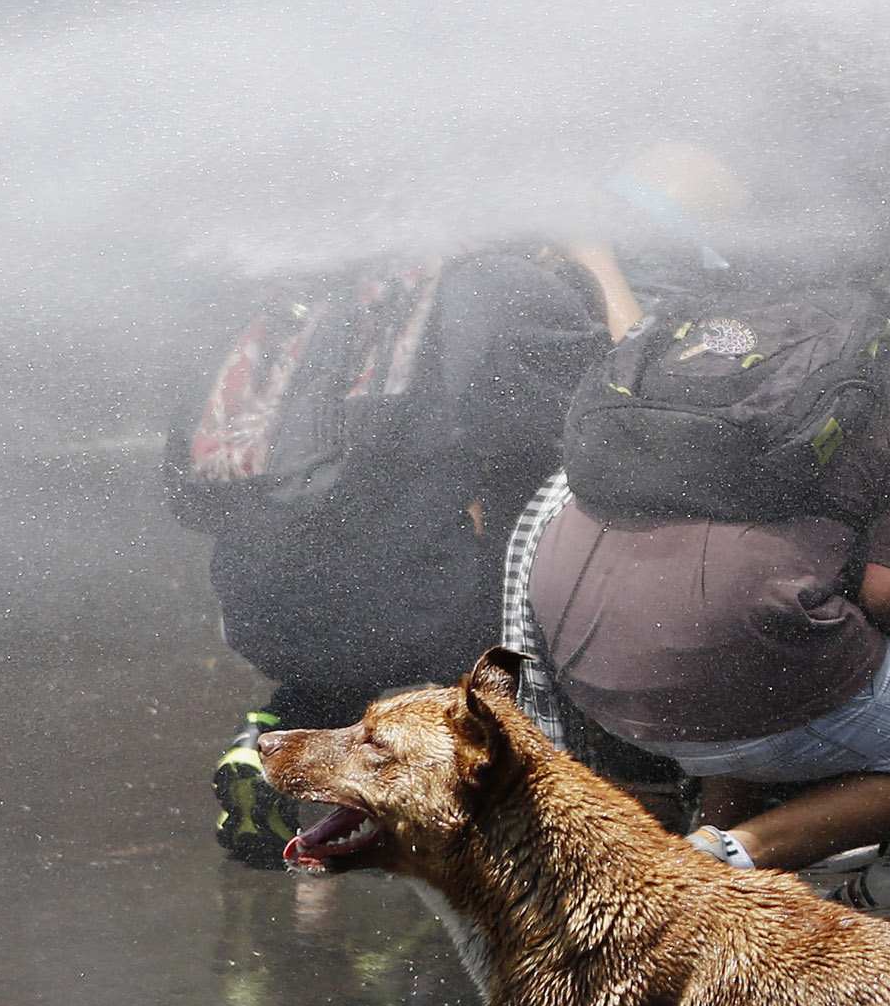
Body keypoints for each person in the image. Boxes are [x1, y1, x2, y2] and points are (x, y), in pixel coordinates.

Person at [527, 313, 890, 930]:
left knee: (753, 649)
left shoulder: (694, 354)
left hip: (586, 662)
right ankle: (728, 859)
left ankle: (717, 833)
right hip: (729, 656)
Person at [191, 246, 609, 866]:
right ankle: (484, 832)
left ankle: (265, 738)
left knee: (348, 620)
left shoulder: (308, 289)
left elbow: (191, 495)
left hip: (259, 604)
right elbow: (588, 428)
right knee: (507, 620)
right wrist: (593, 260)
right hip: (421, 607)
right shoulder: (495, 282)